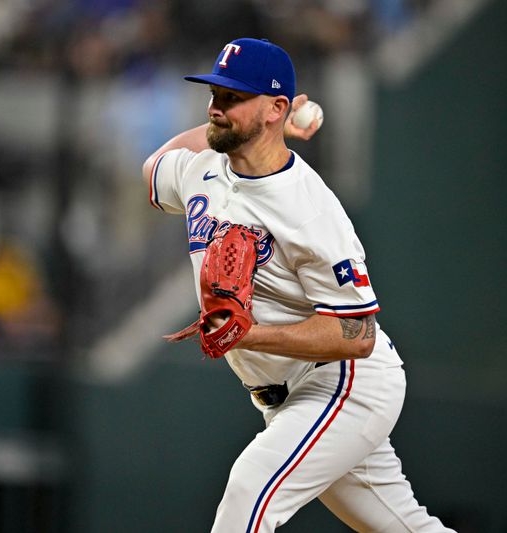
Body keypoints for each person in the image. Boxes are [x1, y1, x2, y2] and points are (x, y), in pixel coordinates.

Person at [142, 37, 455, 533]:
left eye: (233, 98)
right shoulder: (200, 170)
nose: (216, 108)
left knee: (249, 493)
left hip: (343, 383)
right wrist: (255, 125)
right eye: (215, 95)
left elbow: (357, 335)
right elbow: (152, 168)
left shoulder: (309, 209)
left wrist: (249, 335)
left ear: (275, 106)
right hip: (282, 396)